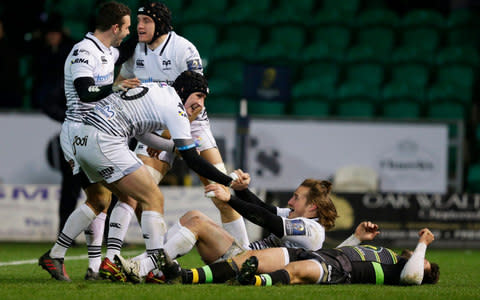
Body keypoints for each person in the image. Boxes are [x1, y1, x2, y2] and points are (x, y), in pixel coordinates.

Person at [40, 70, 242, 282]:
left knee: (104, 200)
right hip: (105, 140)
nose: (201, 104)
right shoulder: (176, 108)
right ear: (184, 91)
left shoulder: (155, 89)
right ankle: (156, 267)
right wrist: (227, 180)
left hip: (81, 139)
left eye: (204, 99)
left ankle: (57, 254)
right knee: (153, 198)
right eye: (199, 96)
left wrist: (171, 147)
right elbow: (192, 158)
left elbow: (140, 132)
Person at [102, 1, 248, 281]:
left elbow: (197, 100)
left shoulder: (184, 49)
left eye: (145, 21)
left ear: (161, 24)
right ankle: (111, 261)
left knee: (220, 193)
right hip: (155, 129)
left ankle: (243, 257)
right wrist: (117, 88)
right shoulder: (136, 51)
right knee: (134, 192)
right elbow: (120, 82)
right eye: (139, 20)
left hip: (192, 126)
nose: (140, 26)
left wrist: (175, 138)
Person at [114, 173, 378, 283]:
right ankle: (147, 265)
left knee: (197, 219)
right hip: (243, 254)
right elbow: (264, 208)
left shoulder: (312, 230)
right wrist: (242, 190)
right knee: (200, 213)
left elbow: (266, 220)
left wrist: (231, 198)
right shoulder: (298, 217)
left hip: (245, 264)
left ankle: (145, 266)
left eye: (296, 197)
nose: (290, 201)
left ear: (312, 208)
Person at [38, 1, 140, 282]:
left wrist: (148, 31)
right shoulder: (84, 51)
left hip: (93, 133)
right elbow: (85, 91)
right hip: (80, 134)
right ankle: (77, 258)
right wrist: (115, 86)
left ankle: (74, 261)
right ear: (115, 27)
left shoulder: (106, 50)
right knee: (113, 196)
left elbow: (126, 50)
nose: (129, 32)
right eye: (128, 27)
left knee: (99, 199)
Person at [156, 228, 439, 286]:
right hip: (322, 254)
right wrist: (356, 238)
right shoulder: (386, 253)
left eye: (421, 259)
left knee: (298, 272)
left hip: (335, 271)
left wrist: (424, 244)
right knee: (250, 257)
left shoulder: (404, 273)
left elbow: (413, 276)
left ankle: (254, 283)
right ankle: (184, 276)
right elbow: (342, 252)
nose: (416, 256)